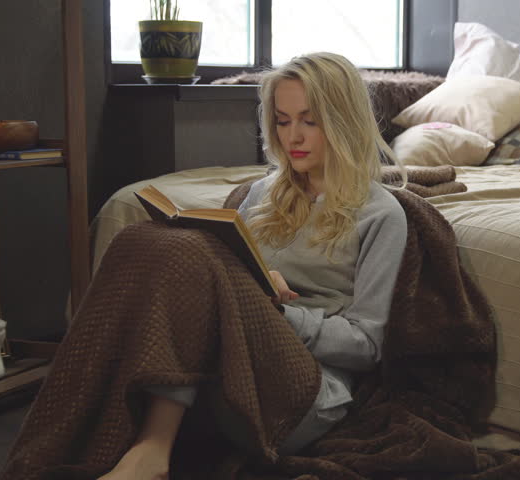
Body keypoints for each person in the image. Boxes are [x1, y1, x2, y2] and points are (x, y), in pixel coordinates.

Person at [98, 51, 408, 480]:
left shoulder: (381, 215)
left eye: (309, 121)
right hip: (231, 367)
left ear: (343, 121)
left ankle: (152, 448)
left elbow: (367, 347)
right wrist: (250, 287)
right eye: (282, 121)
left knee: (198, 264)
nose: (292, 137)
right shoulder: (262, 195)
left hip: (307, 393)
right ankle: (142, 442)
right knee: (145, 240)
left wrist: (277, 313)